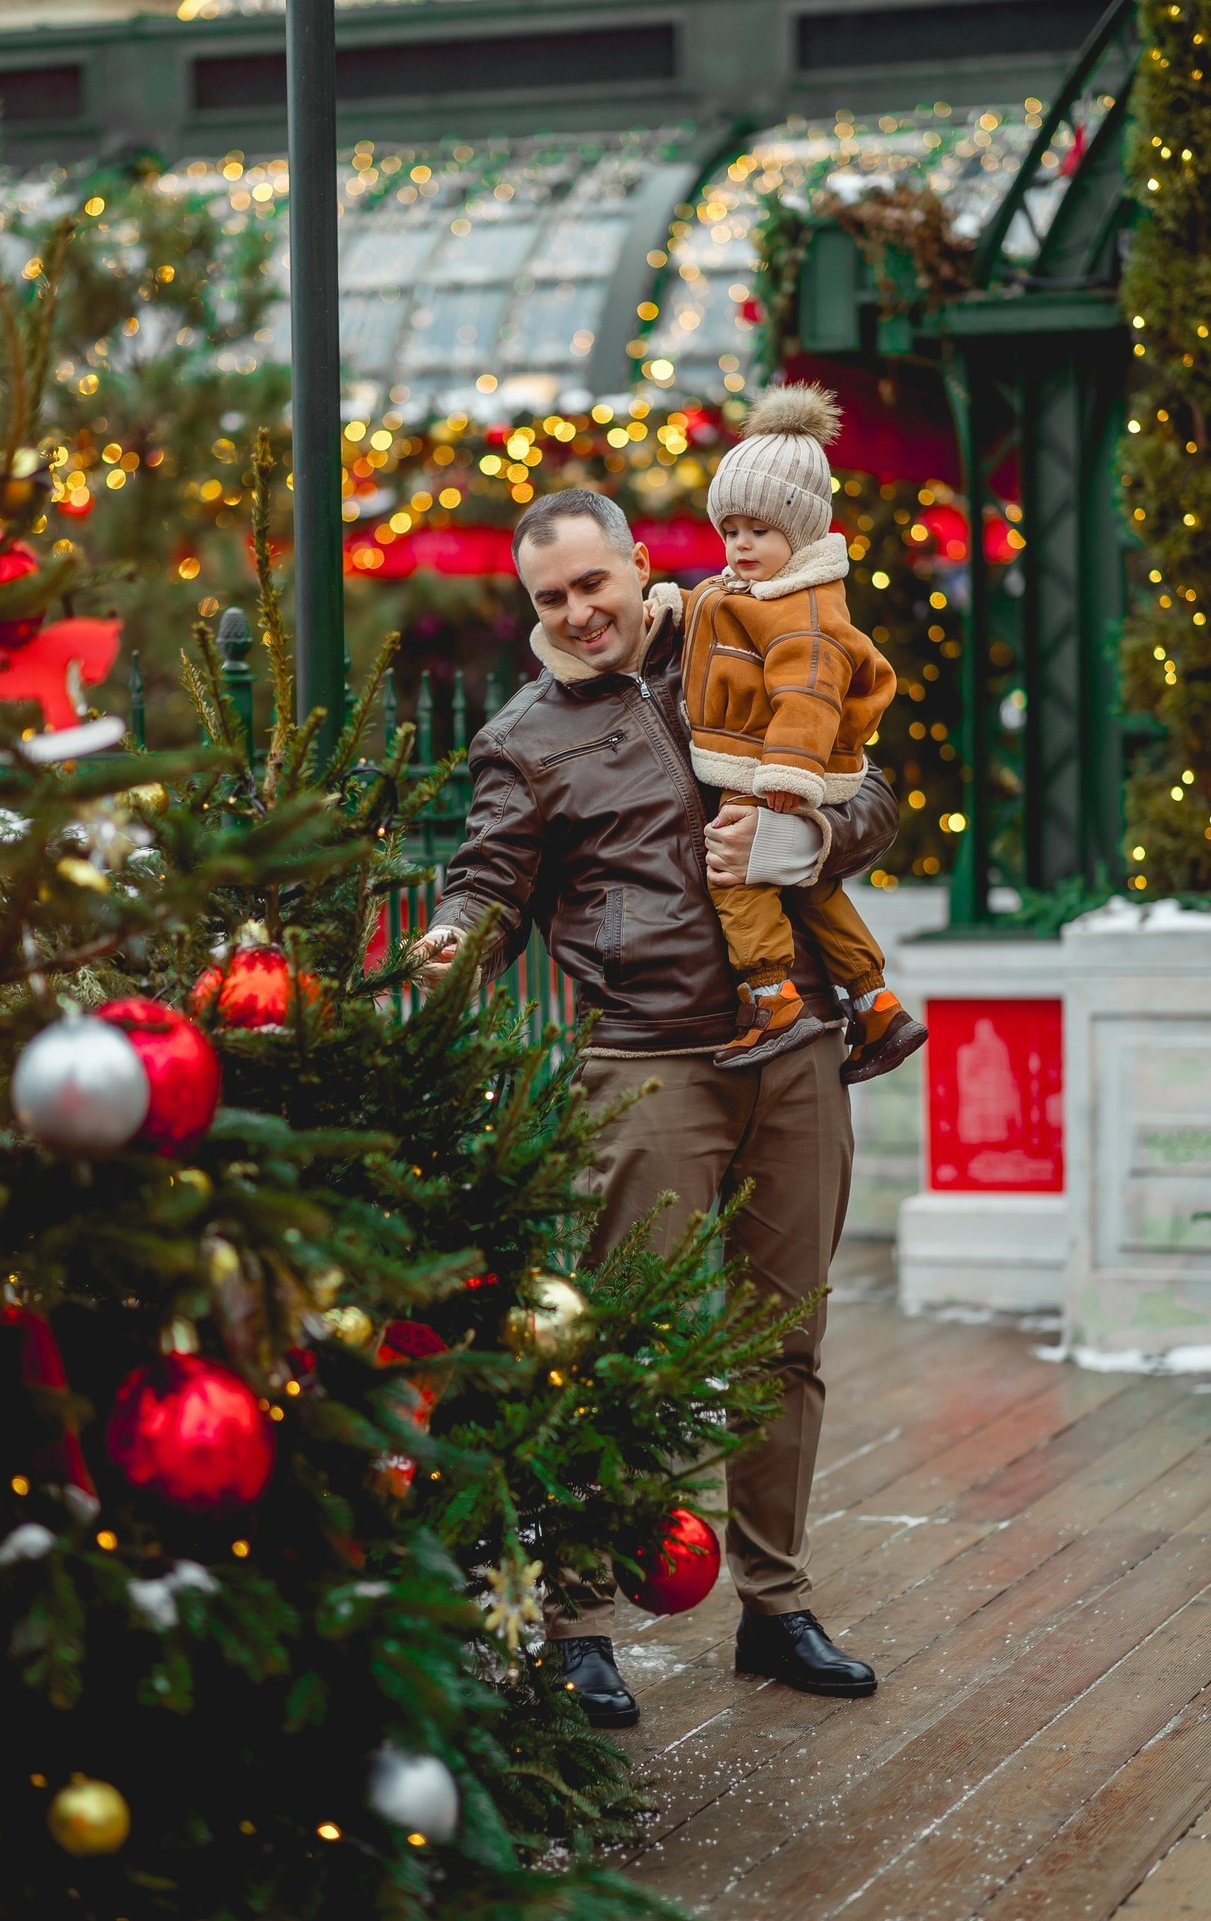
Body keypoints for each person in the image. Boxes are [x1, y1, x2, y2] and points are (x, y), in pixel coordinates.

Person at [414, 488, 892, 1726]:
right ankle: (577, 1625)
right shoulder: (524, 737)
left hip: (792, 1047)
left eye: (592, 584)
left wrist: (803, 851)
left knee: (784, 1340)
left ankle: (775, 1606)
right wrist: (448, 942)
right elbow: (485, 885)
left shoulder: (748, 631)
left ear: (637, 565)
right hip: (645, 1064)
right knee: (611, 1349)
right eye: (551, 599)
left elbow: (871, 792)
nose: (579, 613)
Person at [669, 381, 926, 1081]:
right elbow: (716, 611)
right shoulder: (759, 590)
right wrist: (673, 604)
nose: (741, 545)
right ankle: (877, 1005)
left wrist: (784, 784)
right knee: (813, 890)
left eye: (759, 530)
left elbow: (808, 698)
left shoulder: (806, 614)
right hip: (774, 764)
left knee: (735, 871)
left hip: (772, 769)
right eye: (731, 530)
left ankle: (769, 997)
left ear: (802, 530)